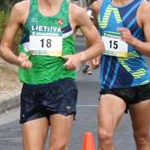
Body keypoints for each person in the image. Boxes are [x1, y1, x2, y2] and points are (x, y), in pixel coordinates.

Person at [0, 0, 104, 150]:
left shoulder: (74, 12)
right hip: (32, 87)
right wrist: (17, 60)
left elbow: (99, 45)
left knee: (58, 147)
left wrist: (79, 57)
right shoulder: (22, 8)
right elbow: (4, 47)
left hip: (62, 87)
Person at [91, 0, 150, 150]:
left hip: (139, 81)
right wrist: (94, 53)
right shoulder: (98, 6)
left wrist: (133, 41)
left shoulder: (143, 8)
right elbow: (95, 37)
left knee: (141, 138)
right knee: (104, 135)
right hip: (111, 83)